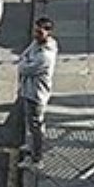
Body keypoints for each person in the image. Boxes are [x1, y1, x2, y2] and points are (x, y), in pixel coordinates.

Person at [17, 17, 58, 168]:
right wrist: (24, 60)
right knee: (32, 124)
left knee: (36, 126)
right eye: (35, 30)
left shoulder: (45, 56)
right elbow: (24, 55)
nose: (35, 34)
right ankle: (32, 147)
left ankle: (36, 158)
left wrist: (23, 62)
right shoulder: (37, 43)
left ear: (48, 33)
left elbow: (24, 68)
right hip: (28, 90)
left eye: (39, 32)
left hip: (36, 94)